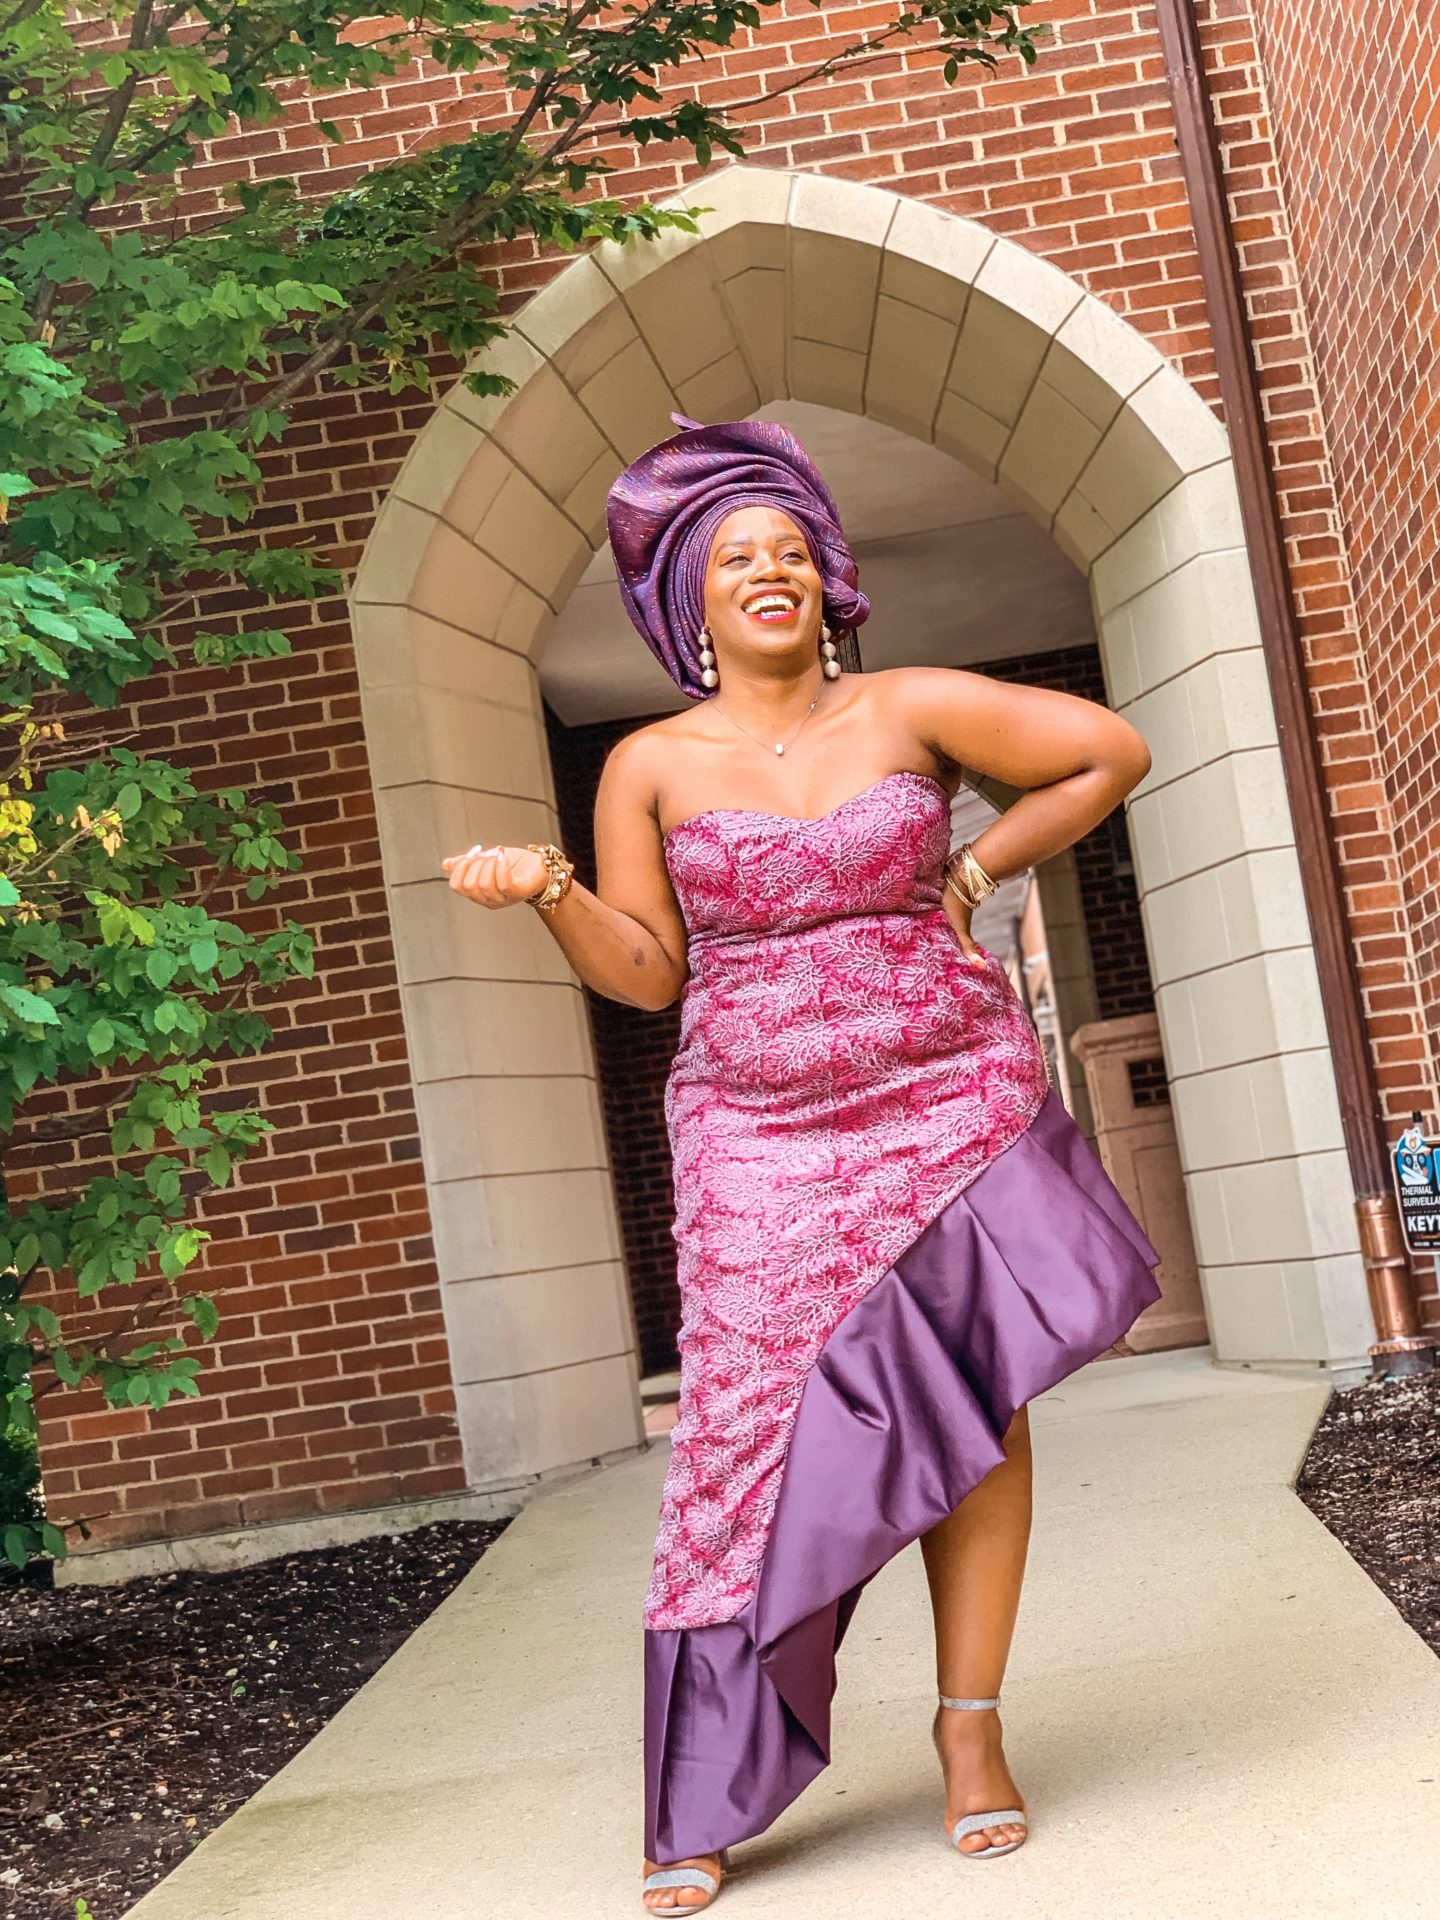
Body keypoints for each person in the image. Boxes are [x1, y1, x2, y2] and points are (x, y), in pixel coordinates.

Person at [443, 414, 1163, 1912]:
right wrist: (553, 892)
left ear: (824, 578)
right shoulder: (649, 761)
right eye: (733, 560)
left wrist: (972, 867)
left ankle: (972, 1733)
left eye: (787, 552)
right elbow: (646, 976)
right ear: (688, 602)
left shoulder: (908, 705)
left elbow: (1107, 751)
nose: (765, 573)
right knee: (737, 1442)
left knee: (971, 1406)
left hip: (940, 1101)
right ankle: (712, 1774)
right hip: (755, 1134)